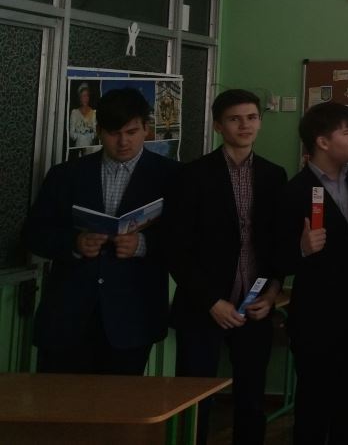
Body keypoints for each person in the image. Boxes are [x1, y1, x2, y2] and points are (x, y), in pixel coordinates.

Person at [22, 86, 179, 374]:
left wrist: (143, 244)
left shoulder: (172, 177)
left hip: (132, 317)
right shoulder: (66, 175)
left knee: (119, 401)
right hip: (68, 316)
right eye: (113, 133)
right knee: (59, 398)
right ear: (98, 131)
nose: (123, 142)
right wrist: (74, 243)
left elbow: (184, 240)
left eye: (132, 132)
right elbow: (34, 233)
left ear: (146, 129)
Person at [165, 89, 287, 445]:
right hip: (204, 306)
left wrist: (273, 293)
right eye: (235, 119)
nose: (245, 125)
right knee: (195, 400)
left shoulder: (274, 175)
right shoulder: (192, 175)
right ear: (218, 126)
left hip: (254, 307)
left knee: (251, 399)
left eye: (251, 118)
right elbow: (176, 249)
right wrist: (210, 301)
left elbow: (277, 244)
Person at [275, 101, 348, 445]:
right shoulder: (295, 190)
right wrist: (301, 249)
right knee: (314, 406)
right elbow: (275, 258)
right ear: (322, 142)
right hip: (316, 318)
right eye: (347, 132)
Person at [68, 83, 98, 154]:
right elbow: (71, 134)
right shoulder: (74, 113)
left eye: (87, 95)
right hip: (77, 148)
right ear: (80, 98)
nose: (86, 98)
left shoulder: (93, 112)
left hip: (90, 148)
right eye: (83, 96)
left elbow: (96, 132)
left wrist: (89, 136)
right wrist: (80, 136)